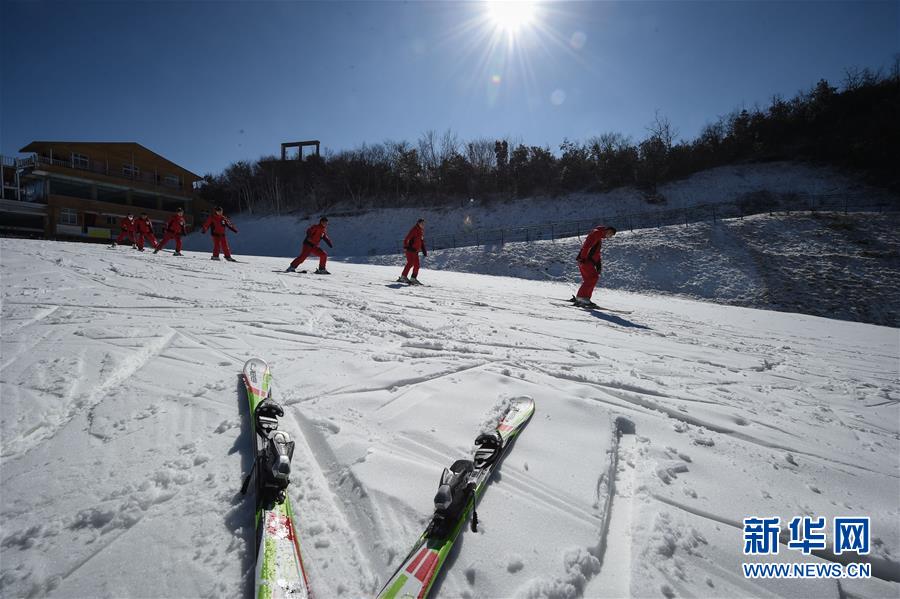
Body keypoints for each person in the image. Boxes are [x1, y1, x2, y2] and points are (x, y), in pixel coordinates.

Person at [573, 225, 616, 306]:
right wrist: (582, 258)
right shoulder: (596, 233)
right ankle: (582, 297)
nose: (610, 236)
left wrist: (598, 265)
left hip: (587, 260)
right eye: (610, 233)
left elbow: (596, 253)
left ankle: (584, 298)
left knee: (590, 279)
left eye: (611, 235)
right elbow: (587, 246)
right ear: (607, 230)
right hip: (585, 260)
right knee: (592, 278)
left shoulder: (598, 236)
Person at [398, 218, 427, 285]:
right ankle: (403, 277)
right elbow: (406, 239)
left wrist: (424, 250)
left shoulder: (421, 231)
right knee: (410, 263)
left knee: (417, 265)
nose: (423, 225)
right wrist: (406, 247)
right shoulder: (414, 230)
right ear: (418, 223)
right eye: (422, 223)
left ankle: (413, 278)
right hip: (410, 250)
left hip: (415, 251)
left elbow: (421, 242)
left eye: (424, 224)